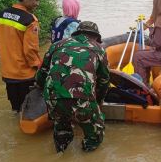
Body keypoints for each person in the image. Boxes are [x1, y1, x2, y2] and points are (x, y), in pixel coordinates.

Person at [36, 21, 110, 153]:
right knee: (95, 132)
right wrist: (98, 101)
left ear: (77, 33)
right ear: (95, 36)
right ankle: (89, 154)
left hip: (52, 98)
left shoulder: (57, 45)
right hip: (82, 98)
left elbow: (42, 73)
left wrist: (42, 89)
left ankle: (61, 151)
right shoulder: (99, 49)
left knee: (61, 125)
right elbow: (104, 80)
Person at [0, 0, 42, 113]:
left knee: (15, 109)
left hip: (7, 71)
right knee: (27, 111)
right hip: (24, 74)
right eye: (36, 0)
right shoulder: (30, 20)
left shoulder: (2, 15)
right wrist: (38, 67)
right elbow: (30, 51)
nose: (37, 4)